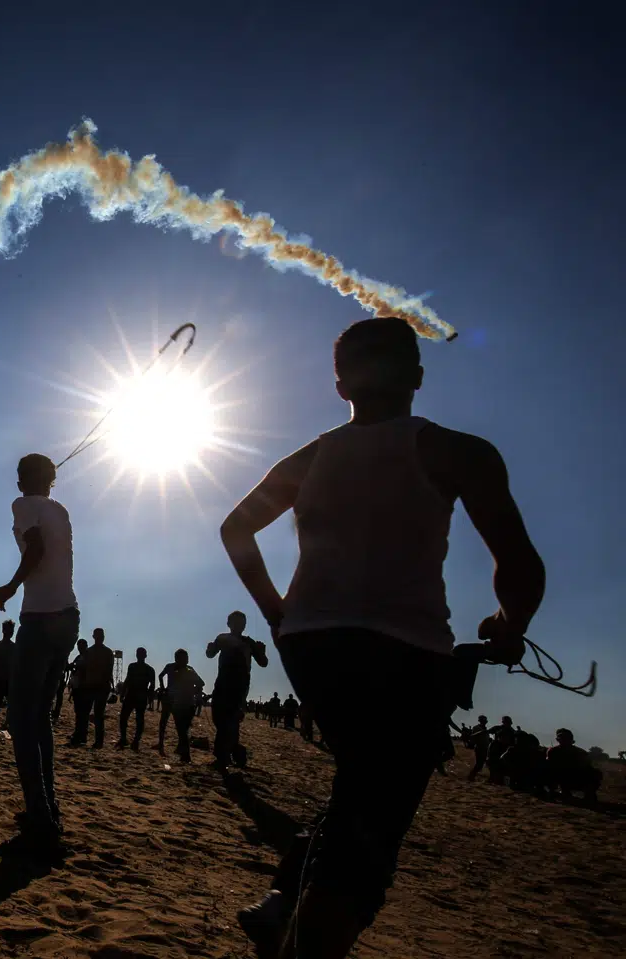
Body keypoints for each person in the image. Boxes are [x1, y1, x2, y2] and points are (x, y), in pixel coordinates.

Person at [221, 316, 545, 959]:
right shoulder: (458, 450)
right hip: (404, 653)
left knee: (362, 785)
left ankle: (282, 901)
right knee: (373, 829)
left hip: (313, 649)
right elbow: (519, 563)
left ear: (339, 382)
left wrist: (277, 612)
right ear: (418, 378)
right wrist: (512, 627)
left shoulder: (310, 457)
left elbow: (236, 529)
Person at [0, 452, 79, 852]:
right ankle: (46, 810)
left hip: (41, 616)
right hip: (68, 617)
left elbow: (35, 550)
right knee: (40, 717)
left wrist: (10, 587)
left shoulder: (23, 504)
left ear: (20, 481)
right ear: (53, 479)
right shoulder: (59, 508)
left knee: (21, 719)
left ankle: (42, 821)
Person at [207, 611, 268, 768]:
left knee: (230, 720)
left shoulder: (248, 642)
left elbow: (263, 662)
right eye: (235, 622)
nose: (239, 626)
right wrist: (211, 647)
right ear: (228, 623)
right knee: (219, 718)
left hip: (239, 686)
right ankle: (235, 751)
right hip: (222, 683)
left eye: (242, 623)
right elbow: (210, 654)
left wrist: (262, 652)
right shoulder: (222, 638)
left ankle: (223, 757)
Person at [157, 648, 205, 762]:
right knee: (169, 723)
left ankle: (184, 753)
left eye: (187, 658)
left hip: (186, 702)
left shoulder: (189, 670)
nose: (186, 660)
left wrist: (193, 691)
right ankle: (162, 744)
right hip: (171, 699)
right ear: (176, 659)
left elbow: (201, 683)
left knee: (183, 728)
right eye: (183, 658)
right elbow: (160, 675)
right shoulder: (170, 667)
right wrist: (163, 688)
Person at [71, 628, 114, 748]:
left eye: (101, 635)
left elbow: (108, 671)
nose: (100, 637)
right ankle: (84, 737)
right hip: (90, 686)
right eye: (99, 635)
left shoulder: (104, 652)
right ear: (95, 637)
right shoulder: (92, 652)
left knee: (97, 715)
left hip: (98, 687)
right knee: (87, 714)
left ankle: (97, 741)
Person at [545, 729, 602, 803]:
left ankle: (588, 794)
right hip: (562, 777)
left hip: (576, 778)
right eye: (563, 739)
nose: (565, 741)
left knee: (595, 773)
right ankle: (556, 791)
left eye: (566, 739)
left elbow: (588, 768)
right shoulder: (553, 751)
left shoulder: (580, 753)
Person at [117, 647, 156, 751]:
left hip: (139, 695)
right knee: (126, 718)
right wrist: (123, 693)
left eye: (141, 653)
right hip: (133, 694)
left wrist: (150, 698)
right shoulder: (134, 667)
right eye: (139, 653)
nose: (140, 655)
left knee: (137, 720)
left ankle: (134, 740)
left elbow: (152, 685)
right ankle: (125, 739)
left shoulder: (149, 669)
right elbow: (128, 680)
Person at [465, 715, 491, 781]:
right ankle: (471, 776)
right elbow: (473, 737)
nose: (485, 721)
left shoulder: (485, 728)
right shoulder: (476, 728)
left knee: (483, 764)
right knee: (479, 764)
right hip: (479, 747)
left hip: (485, 748)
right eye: (483, 720)